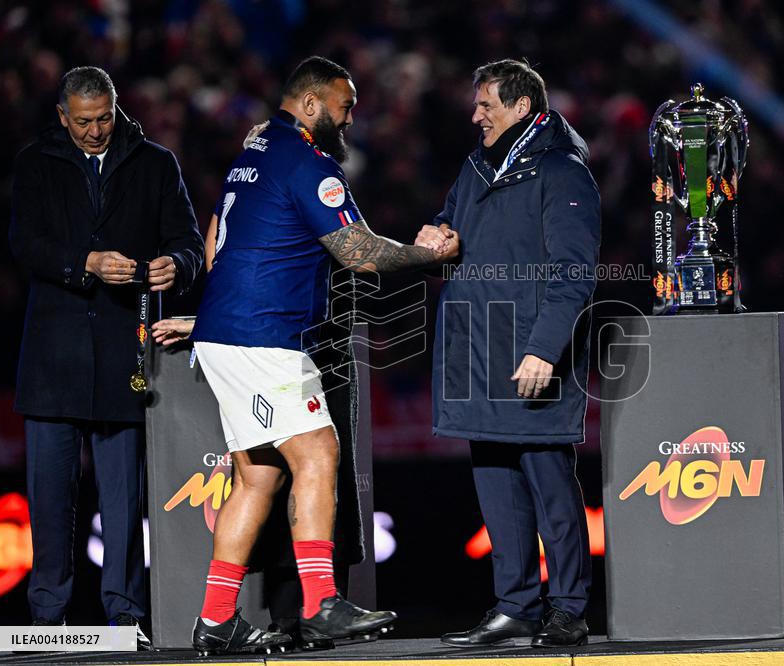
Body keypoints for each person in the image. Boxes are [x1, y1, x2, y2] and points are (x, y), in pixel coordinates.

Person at [181, 56, 457, 656]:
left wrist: (220, 310)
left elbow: (214, 240)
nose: (350, 116)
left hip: (227, 332)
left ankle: (216, 619)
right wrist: (427, 256)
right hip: (265, 335)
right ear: (310, 104)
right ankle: (321, 605)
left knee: (257, 476)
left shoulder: (250, 156)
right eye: (344, 104)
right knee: (318, 451)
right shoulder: (309, 164)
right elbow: (358, 251)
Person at [10, 66, 204, 647]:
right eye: (85, 122)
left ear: (116, 109)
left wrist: (180, 266)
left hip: (126, 353)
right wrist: (86, 263)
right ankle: (48, 617)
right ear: (63, 117)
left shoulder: (155, 162)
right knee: (49, 498)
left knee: (124, 499)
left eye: (105, 119)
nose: (97, 132)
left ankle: (124, 616)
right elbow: (25, 243)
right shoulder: (34, 163)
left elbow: (189, 241)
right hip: (54, 359)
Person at [415, 59, 600, 648]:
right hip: (477, 350)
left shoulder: (562, 171)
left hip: (528, 353)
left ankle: (568, 608)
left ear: (522, 108)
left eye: (486, 106)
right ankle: (515, 606)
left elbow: (574, 273)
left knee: (550, 483)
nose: (476, 116)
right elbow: (451, 222)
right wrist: (436, 235)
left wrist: (544, 350)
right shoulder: (477, 167)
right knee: (496, 486)